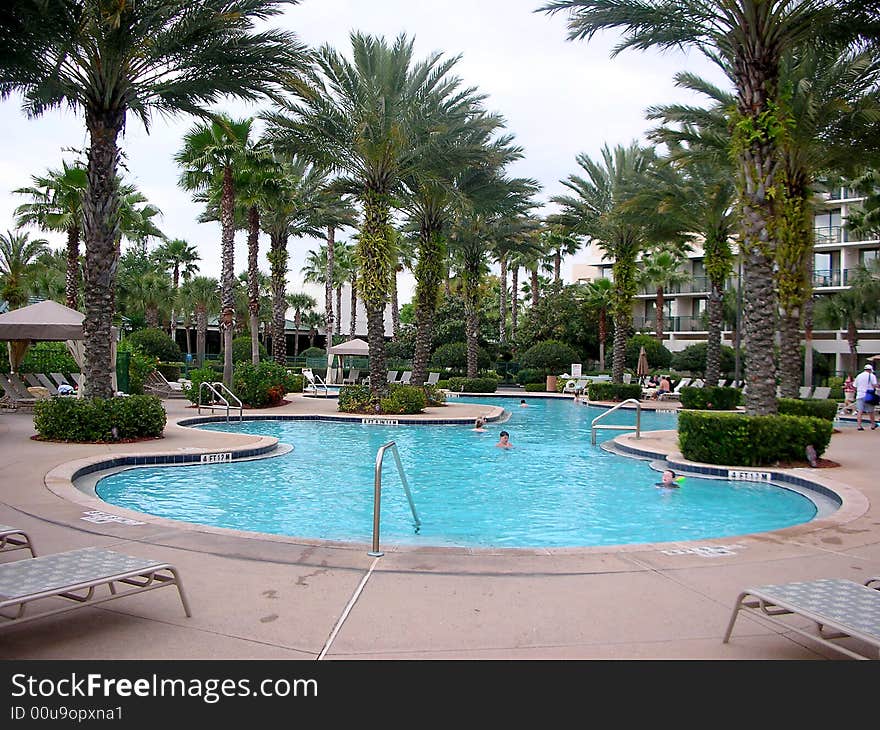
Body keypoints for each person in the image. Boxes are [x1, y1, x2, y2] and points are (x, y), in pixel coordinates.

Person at [854, 363, 878, 431]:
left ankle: (859, 426)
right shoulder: (872, 376)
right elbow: (874, 385)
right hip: (868, 395)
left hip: (859, 395)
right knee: (871, 411)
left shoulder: (859, 376)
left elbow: (855, 386)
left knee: (859, 411)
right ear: (870, 370)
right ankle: (873, 424)